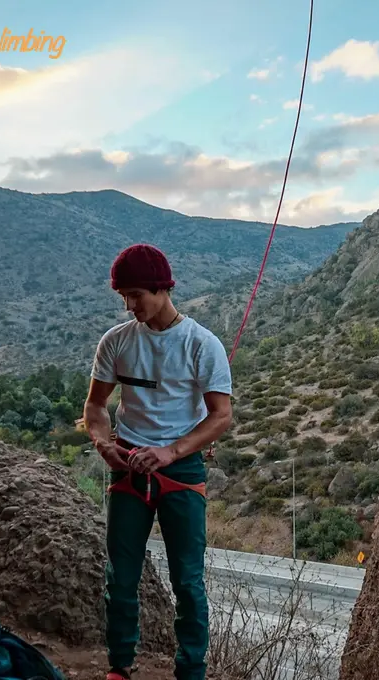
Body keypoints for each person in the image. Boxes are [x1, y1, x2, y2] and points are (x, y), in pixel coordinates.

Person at [82, 243, 233, 680]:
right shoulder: (116, 342)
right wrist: (102, 440)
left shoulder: (202, 345)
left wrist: (170, 451)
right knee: (120, 575)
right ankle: (119, 667)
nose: (131, 306)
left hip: (181, 469)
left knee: (187, 581)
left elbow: (221, 415)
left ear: (162, 288)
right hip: (127, 463)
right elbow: (95, 407)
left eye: (137, 296)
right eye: (123, 298)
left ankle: (191, 671)